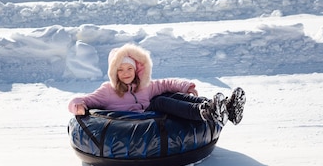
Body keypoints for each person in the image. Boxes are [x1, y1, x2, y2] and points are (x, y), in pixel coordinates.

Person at [68, 44, 245, 126]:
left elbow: (166, 83)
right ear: (114, 73)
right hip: (138, 122)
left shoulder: (144, 85)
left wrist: (186, 86)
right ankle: (205, 112)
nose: (126, 73)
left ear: (136, 69)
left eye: (129, 68)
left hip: (151, 114)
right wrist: (78, 105)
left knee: (171, 95)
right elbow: (82, 100)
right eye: (120, 70)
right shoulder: (108, 91)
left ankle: (224, 108)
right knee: (160, 102)